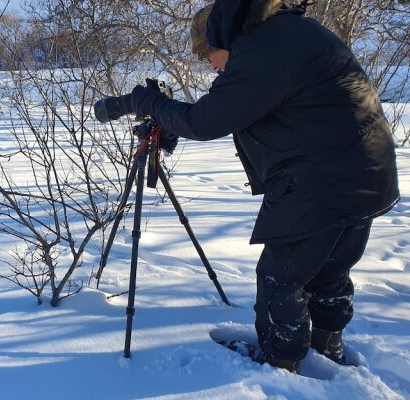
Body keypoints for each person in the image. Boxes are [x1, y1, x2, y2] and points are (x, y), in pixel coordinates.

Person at [127, 0, 400, 373]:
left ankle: (281, 363)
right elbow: (243, 104)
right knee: (329, 268)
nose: (210, 64)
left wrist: (152, 104)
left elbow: (206, 122)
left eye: (208, 53)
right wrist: (174, 118)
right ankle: (327, 344)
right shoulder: (287, 35)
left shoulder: (262, 47)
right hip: (369, 172)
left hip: (320, 181)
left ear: (223, 35)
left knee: (280, 279)